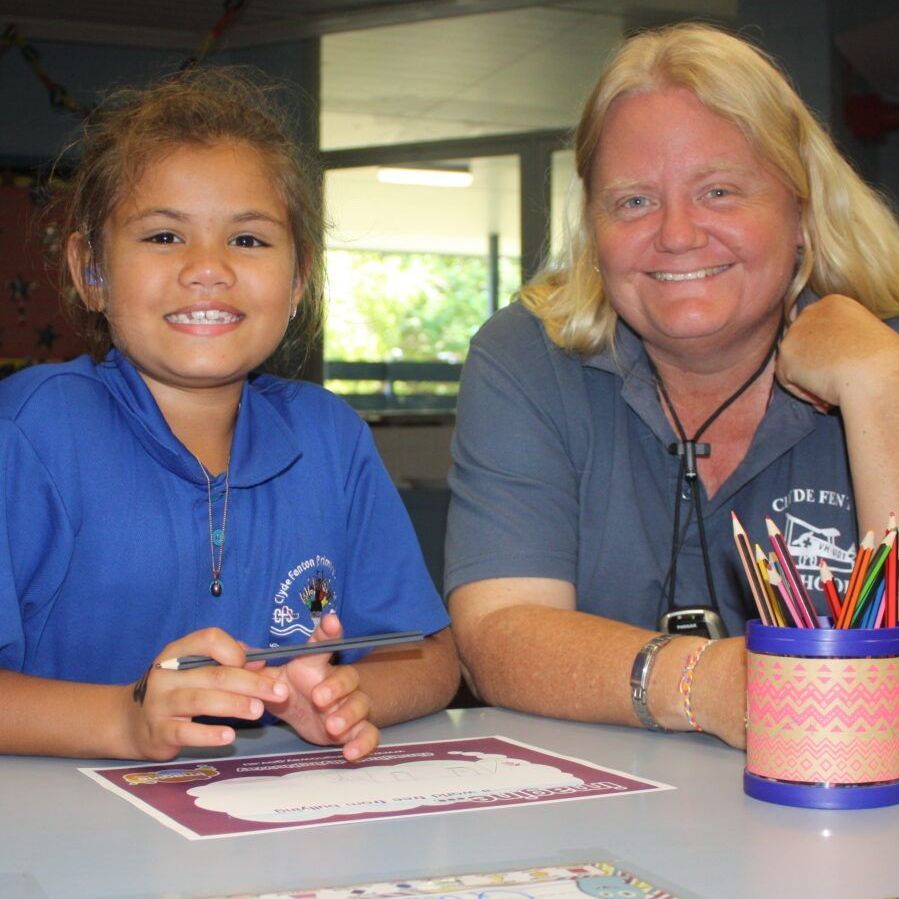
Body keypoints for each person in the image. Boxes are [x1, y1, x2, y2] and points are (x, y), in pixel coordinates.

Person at [445, 23, 899, 748]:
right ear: (593, 229)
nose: (677, 234)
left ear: (803, 215)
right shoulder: (527, 357)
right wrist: (709, 683)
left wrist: (880, 387)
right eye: (632, 202)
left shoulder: (885, 356)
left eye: (719, 191)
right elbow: (497, 633)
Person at [0, 67, 459, 761]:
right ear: (90, 271)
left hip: (267, 834)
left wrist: (347, 696)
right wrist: (124, 720)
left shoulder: (329, 438)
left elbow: (428, 656)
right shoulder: (29, 434)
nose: (207, 267)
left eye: (248, 240)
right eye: (163, 236)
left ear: (299, 277)